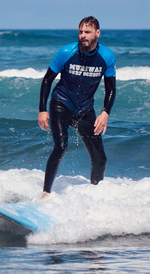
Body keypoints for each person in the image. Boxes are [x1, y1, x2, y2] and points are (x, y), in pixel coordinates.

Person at [38, 16, 116, 199]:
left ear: (97, 33)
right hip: (61, 104)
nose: (83, 35)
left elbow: (111, 88)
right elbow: (47, 79)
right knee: (61, 146)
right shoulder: (66, 52)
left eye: (87, 32)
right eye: (80, 32)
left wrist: (105, 113)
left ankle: (95, 194)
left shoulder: (106, 56)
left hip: (85, 110)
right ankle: (45, 194)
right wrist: (42, 109)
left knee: (100, 159)